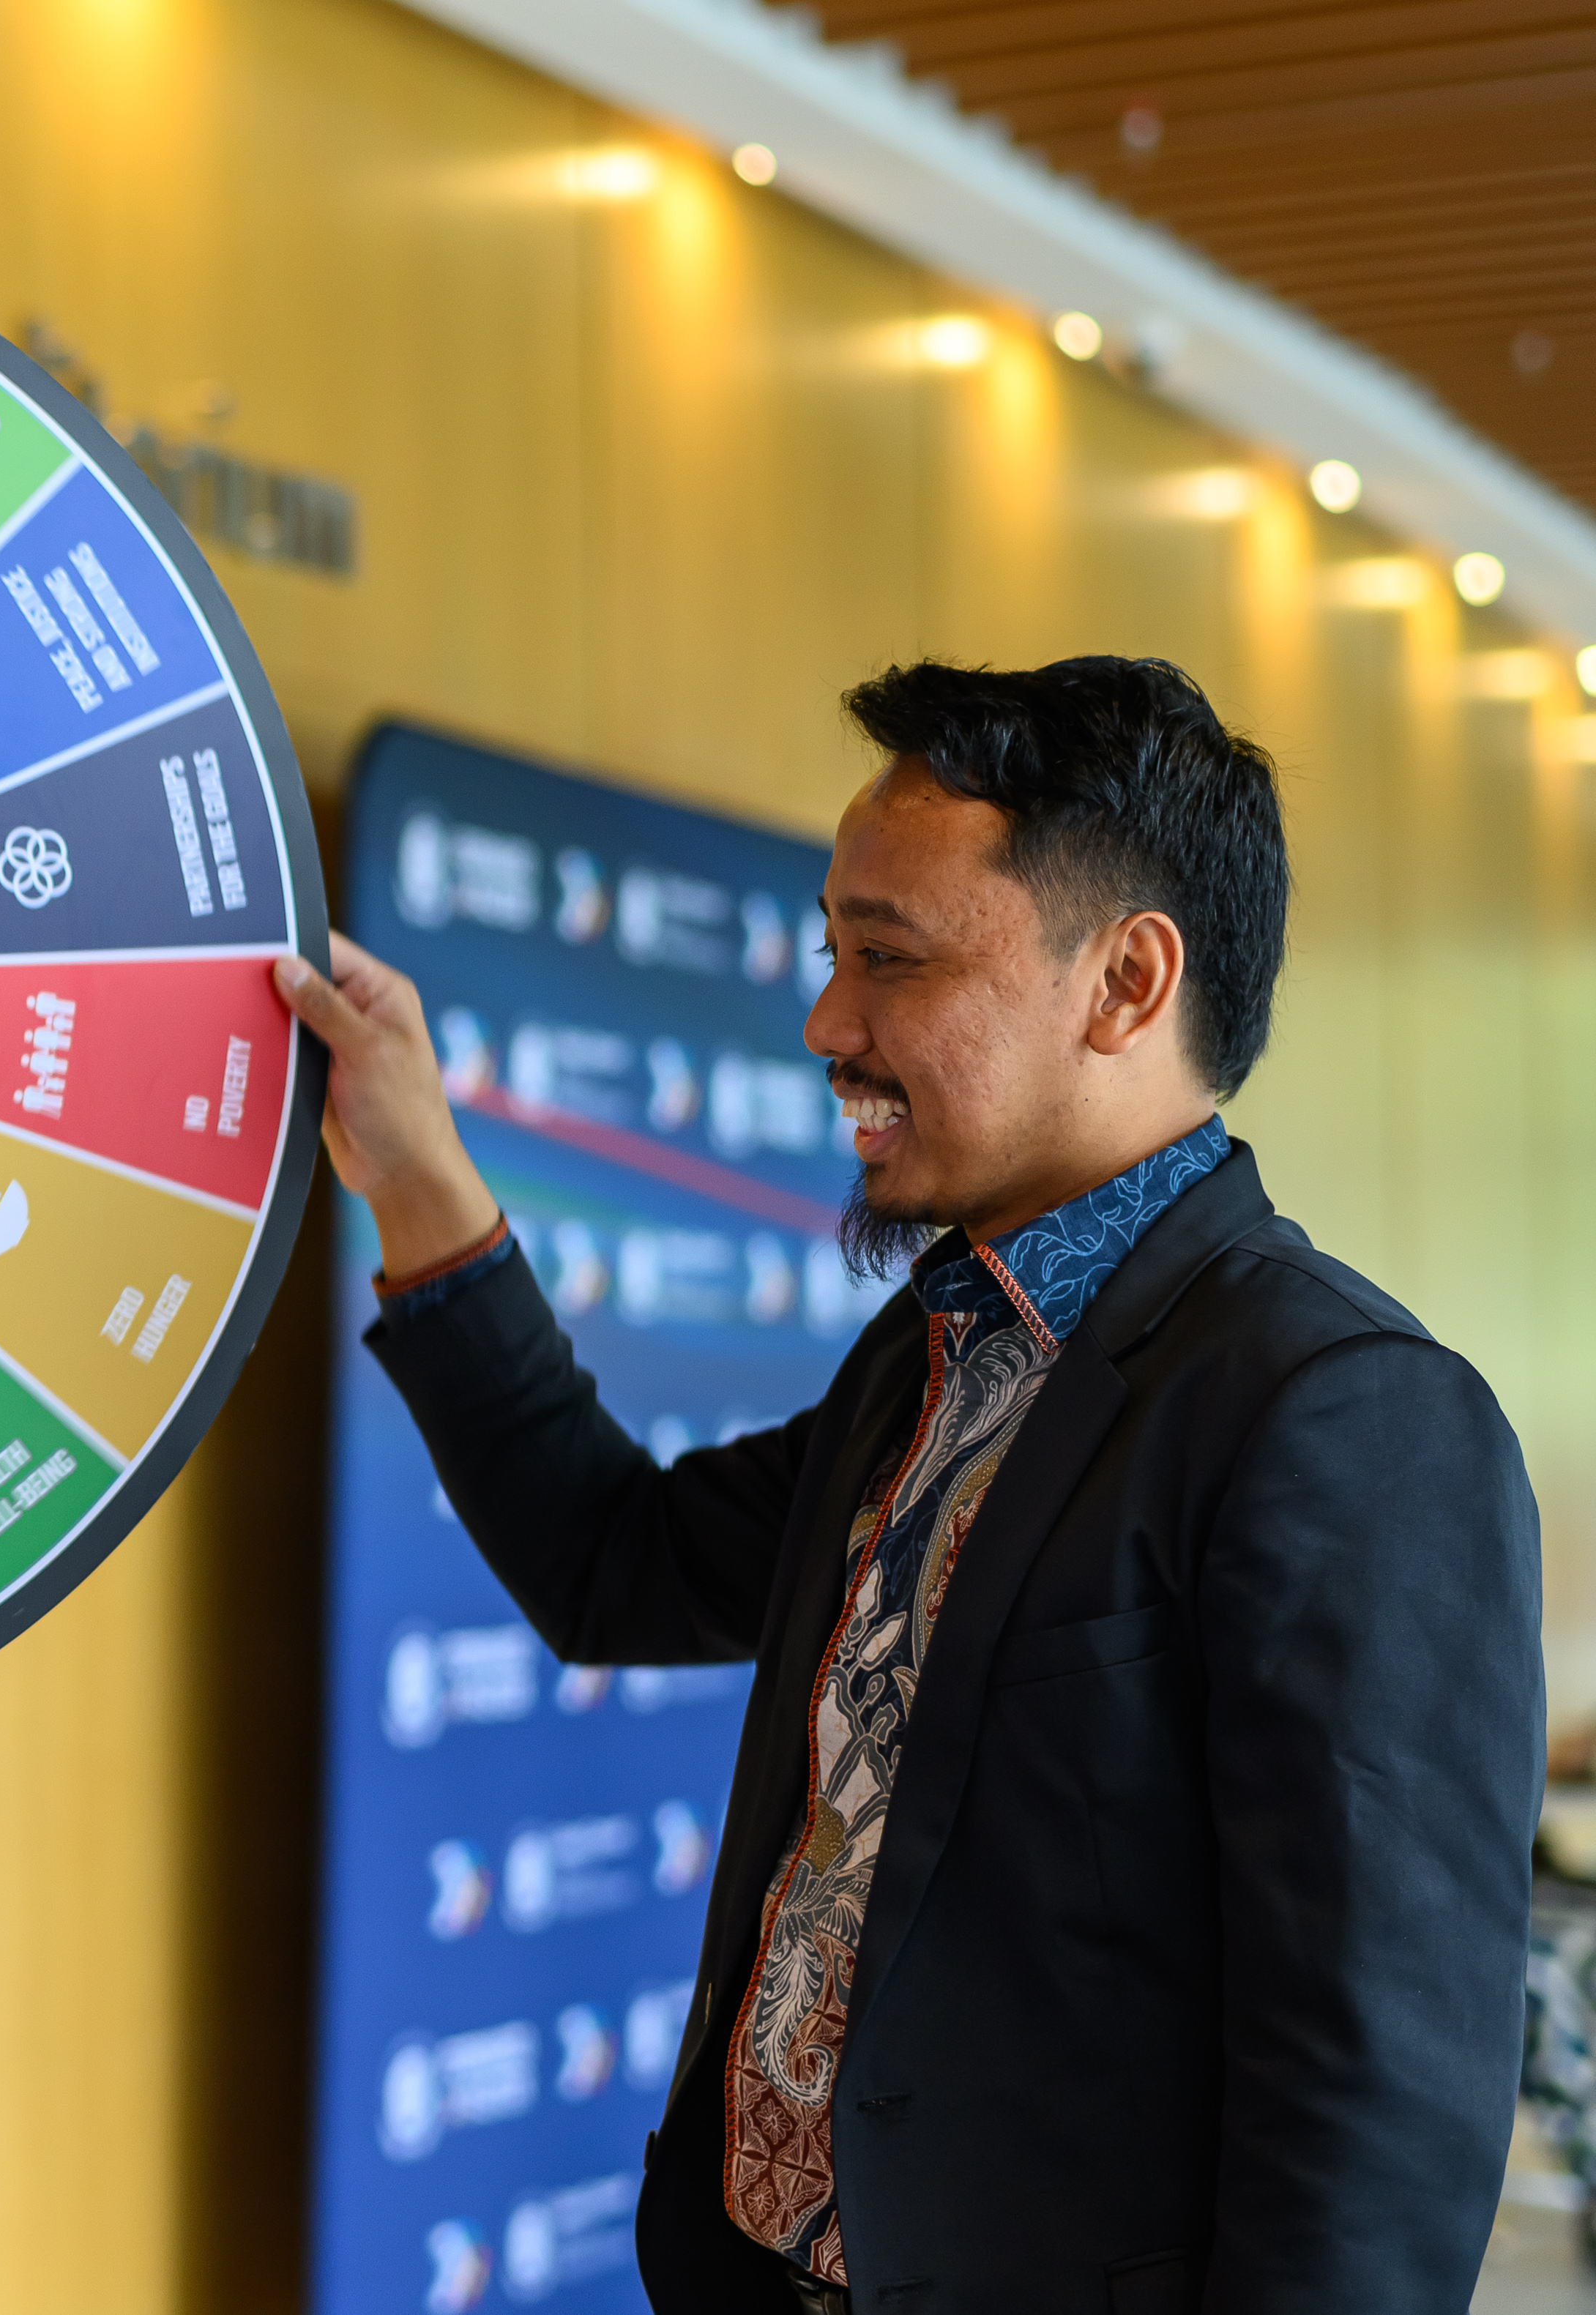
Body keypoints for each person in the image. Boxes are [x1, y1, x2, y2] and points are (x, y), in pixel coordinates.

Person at [277, 657, 1542, 2313]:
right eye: (830, 955)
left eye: (890, 959)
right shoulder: (930, 1354)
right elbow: (611, 1559)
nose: (825, 1025)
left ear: (1125, 981)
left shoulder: (1339, 1416)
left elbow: (1370, 2121)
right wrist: (416, 1173)